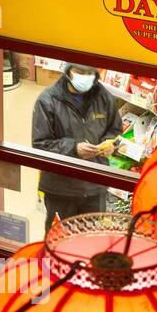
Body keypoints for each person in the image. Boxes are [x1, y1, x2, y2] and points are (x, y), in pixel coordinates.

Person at [31, 63, 124, 232]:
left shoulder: (104, 97)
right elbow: (40, 145)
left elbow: (115, 129)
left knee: (92, 244)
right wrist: (74, 148)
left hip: (95, 187)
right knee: (59, 244)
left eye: (90, 72)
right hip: (60, 189)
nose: (85, 76)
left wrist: (111, 144)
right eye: (80, 71)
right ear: (68, 71)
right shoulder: (47, 100)